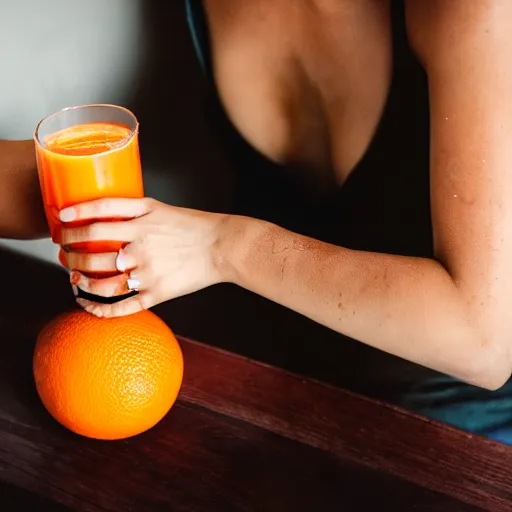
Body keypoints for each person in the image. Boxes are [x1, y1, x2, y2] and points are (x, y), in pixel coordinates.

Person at [29, 1, 512, 442]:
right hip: (269, 380)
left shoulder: (473, 11)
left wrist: (226, 247)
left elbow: (483, 343)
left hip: (460, 434)